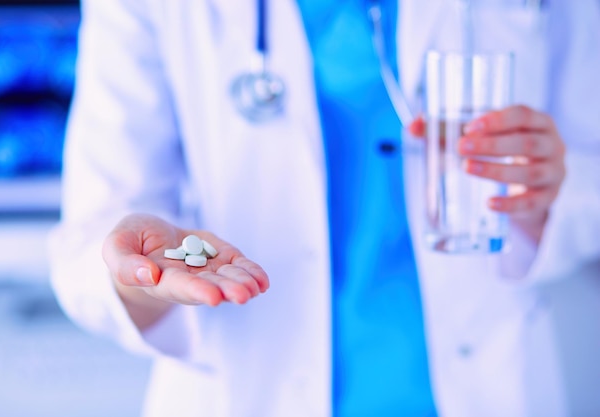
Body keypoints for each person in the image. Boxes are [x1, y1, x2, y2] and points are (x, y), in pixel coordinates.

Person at [48, 0, 600, 416]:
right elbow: (95, 234)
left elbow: (587, 179)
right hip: (248, 386)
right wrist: (143, 272)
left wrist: (545, 194)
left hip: (489, 382)